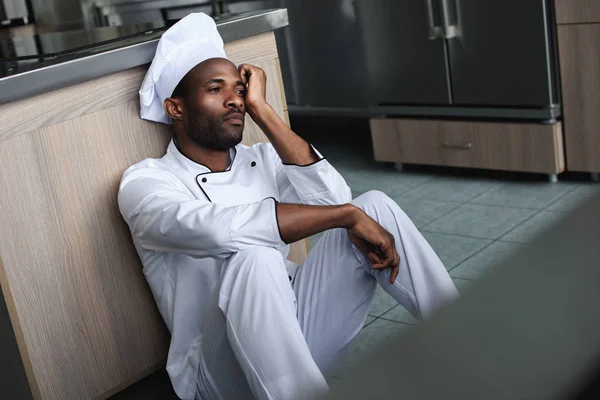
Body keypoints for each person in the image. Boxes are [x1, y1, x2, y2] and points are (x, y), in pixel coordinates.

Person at [118, 13, 459, 400]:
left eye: (240, 90)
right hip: (215, 373)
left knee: (374, 206)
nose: (235, 100)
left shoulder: (262, 157)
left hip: (294, 334)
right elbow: (218, 229)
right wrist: (345, 216)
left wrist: (264, 113)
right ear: (175, 108)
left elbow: (334, 201)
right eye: (216, 90)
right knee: (254, 257)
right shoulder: (146, 182)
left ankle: (471, 346)